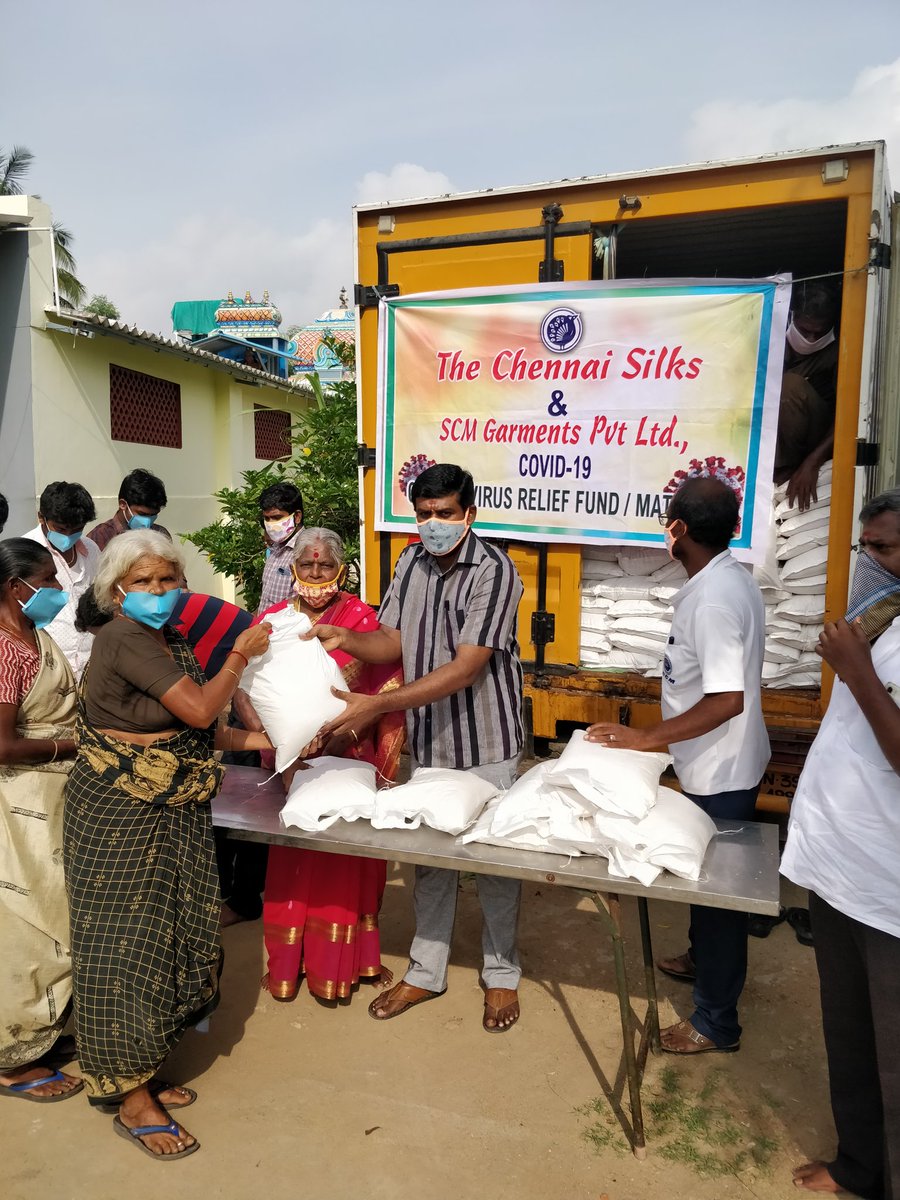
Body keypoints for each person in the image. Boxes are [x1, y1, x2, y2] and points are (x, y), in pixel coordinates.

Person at [63, 530, 272, 1160]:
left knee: (164, 938)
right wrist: (239, 653)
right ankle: (129, 1098)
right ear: (116, 589)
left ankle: (143, 1070)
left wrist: (271, 743)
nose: (158, 592)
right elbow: (204, 709)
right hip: (121, 813)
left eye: (168, 580)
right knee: (124, 947)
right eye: (144, 582)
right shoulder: (122, 636)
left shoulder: (168, 638)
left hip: (169, 806)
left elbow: (193, 732)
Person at [308, 464, 526, 1032]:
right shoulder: (410, 562)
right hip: (431, 738)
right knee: (430, 860)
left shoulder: (495, 571)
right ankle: (427, 971)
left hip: (489, 738)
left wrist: (377, 705)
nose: (433, 524)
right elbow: (394, 638)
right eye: (424, 514)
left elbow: (468, 666)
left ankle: (501, 975)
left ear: (468, 515)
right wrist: (345, 637)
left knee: (495, 860)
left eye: (445, 514)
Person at [587, 476, 769, 1054]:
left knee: (718, 896)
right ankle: (701, 960)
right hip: (712, 761)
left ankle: (716, 1021)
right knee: (702, 879)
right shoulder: (722, 581)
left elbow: (726, 699)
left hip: (722, 770)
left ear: (679, 529)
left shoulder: (714, 601)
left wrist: (646, 739)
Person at [782, 488, 900, 1199]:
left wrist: (854, 667)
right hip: (839, 871)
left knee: (895, 1058)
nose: (870, 562)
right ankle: (859, 1164)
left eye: (884, 548)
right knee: (851, 1039)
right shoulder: (883, 622)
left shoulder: (871, 641)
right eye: (867, 547)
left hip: (889, 891)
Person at [248, 527, 406, 1002]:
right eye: (308, 564)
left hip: (348, 760)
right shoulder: (272, 621)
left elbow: (388, 691)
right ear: (292, 567)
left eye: (326, 565)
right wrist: (278, 743)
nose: (316, 573)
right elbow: (244, 684)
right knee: (293, 857)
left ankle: (350, 963)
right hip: (291, 764)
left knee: (347, 859)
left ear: (341, 569)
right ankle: (288, 967)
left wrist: (342, 735)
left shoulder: (362, 620)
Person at [0, 538, 82, 1103]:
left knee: (58, 909)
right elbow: (2, 746)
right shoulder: (6, 651)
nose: (55, 591)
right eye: (46, 582)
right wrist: (69, 745)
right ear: (16, 588)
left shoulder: (34, 637)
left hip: (53, 795)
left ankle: (44, 1031)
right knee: (27, 920)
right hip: (20, 801)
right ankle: (11, 1057)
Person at [22, 480, 100, 679]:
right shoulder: (25, 552)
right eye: (61, 529)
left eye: (76, 530)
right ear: (42, 518)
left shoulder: (91, 550)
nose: (68, 536)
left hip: (89, 663)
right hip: (46, 667)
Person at [774, 284, 839, 513]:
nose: (811, 339)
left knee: (790, 386)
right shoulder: (771, 338)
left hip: (816, 435)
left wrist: (812, 462)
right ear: (792, 317)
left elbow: (849, 416)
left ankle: (784, 473)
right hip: (769, 435)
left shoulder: (839, 352)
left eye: (819, 333)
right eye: (804, 330)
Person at [87, 468, 170, 552]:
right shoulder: (100, 536)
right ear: (123, 504)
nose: (147, 521)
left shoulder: (160, 535)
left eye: (153, 515)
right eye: (142, 514)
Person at [257, 481, 304, 614]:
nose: (271, 524)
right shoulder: (274, 548)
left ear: (297, 516)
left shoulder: (306, 551)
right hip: (263, 629)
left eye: (277, 517)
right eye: (267, 518)